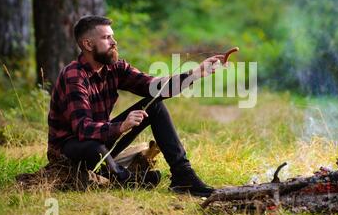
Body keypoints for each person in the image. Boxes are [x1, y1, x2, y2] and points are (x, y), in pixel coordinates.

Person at [47, 15, 225, 197]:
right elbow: (83, 129)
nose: (114, 42)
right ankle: (127, 178)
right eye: (106, 38)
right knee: (94, 147)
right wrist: (121, 126)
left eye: (112, 37)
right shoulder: (74, 75)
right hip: (71, 152)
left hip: (100, 141)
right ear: (88, 44)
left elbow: (156, 87)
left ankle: (183, 176)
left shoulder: (115, 68)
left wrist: (195, 73)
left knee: (154, 105)